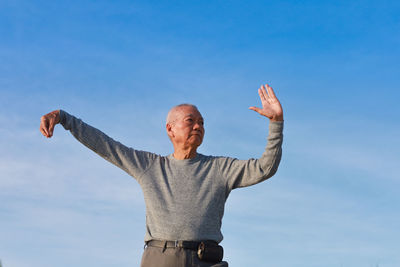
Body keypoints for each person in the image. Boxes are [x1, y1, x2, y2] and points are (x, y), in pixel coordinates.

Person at [39, 84, 284, 267]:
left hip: (206, 261)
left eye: (202, 122)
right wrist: (64, 118)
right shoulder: (150, 166)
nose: (198, 126)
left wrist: (276, 122)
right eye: (191, 121)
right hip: (160, 259)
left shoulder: (220, 168)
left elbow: (265, 167)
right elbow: (105, 145)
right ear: (170, 129)